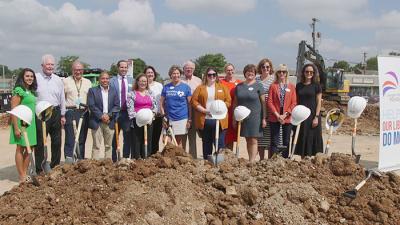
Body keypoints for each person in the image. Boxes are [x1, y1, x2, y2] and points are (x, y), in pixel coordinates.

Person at [35, 54, 66, 173]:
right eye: (48, 64)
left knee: (57, 141)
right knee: (41, 141)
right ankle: (40, 168)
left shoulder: (58, 79)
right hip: (41, 112)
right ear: (42, 65)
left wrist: (63, 114)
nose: (50, 66)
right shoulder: (36, 78)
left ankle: (55, 166)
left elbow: (62, 97)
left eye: (52, 64)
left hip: (55, 112)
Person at [192, 67, 231, 159]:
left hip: (220, 120)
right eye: (210, 75)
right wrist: (204, 110)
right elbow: (194, 101)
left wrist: (220, 107)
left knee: (220, 143)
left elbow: (228, 101)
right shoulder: (200, 88)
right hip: (206, 120)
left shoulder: (223, 87)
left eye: (214, 74)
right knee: (206, 143)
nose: (212, 76)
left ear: (216, 76)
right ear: (206, 76)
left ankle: (220, 163)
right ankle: (207, 163)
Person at [233, 64, 266, 162]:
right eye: (248, 71)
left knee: (253, 140)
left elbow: (263, 103)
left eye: (252, 71)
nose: (250, 73)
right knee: (247, 139)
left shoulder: (259, 85)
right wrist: (234, 118)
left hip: (255, 117)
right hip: (243, 118)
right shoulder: (239, 86)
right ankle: (250, 158)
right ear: (244, 73)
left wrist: (264, 118)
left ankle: (252, 161)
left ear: (255, 73)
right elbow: (235, 102)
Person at [9, 68, 37, 183]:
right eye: (27, 76)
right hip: (21, 124)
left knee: (30, 147)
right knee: (20, 148)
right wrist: (16, 128)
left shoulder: (31, 91)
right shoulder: (18, 90)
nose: (30, 78)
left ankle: (25, 173)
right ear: (22, 77)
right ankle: (21, 175)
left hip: (31, 124)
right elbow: (14, 109)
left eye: (31, 76)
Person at [63, 61, 92, 162]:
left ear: (83, 70)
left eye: (80, 70)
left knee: (82, 138)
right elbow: (62, 98)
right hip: (70, 111)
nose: (78, 72)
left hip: (84, 112)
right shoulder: (66, 81)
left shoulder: (88, 82)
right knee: (70, 137)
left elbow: (90, 98)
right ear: (72, 70)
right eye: (76, 70)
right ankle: (69, 159)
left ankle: (80, 159)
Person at [87, 71, 120, 160]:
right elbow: (91, 105)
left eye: (107, 78)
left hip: (110, 121)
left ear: (109, 80)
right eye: (103, 78)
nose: (105, 80)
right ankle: (94, 165)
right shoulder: (92, 90)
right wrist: (101, 116)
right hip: (97, 121)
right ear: (99, 80)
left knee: (109, 146)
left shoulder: (114, 91)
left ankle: (108, 165)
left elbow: (117, 106)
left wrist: (108, 116)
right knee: (96, 145)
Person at [267, 64, 297, 158]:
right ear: (277, 73)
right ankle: (273, 159)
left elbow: (294, 102)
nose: (281, 73)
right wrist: (277, 115)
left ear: (287, 73)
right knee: (274, 141)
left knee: (286, 141)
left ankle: (284, 159)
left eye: (284, 71)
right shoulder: (273, 86)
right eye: (279, 71)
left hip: (287, 116)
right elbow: (270, 102)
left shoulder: (291, 86)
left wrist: (285, 114)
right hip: (275, 116)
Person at [294, 63, 323, 157]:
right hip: (301, 116)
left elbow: (319, 102)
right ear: (303, 73)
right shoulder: (298, 86)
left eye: (311, 72)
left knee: (311, 137)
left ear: (314, 73)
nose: (309, 73)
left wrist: (316, 117)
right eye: (307, 71)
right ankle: (303, 160)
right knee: (302, 137)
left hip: (313, 116)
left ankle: (311, 160)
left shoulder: (317, 86)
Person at [160, 65, 192, 148]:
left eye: (177, 73)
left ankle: (177, 160)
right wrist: (163, 117)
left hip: (181, 118)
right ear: (170, 75)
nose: (176, 75)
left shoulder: (186, 87)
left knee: (178, 142)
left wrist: (189, 119)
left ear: (180, 74)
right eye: (173, 73)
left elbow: (189, 104)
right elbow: (161, 103)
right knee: (166, 141)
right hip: (168, 118)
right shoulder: (166, 87)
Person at [127, 74, 157, 159]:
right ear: (137, 82)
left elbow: (154, 106)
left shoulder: (150, 93)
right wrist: (140, 117)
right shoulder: (131, 94)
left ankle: (146, 158)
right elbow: (130, 109)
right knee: (137, 141)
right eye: (141, 81)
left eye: (145, 81)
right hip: (136, 122)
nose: (143, 83)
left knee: (147, 141)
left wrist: (151, 115)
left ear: (147, 83)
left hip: (149, 121)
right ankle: (137, 158)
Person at [110, 60, 133, 161]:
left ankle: (125, 158)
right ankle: (115, 159)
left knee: (127, 137)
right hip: (115, 112)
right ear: (118, 68)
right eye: (122, 67)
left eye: (125, 67)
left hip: (127, 113)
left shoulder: (133, 81)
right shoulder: (112, 81)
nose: (124, 69)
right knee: (115, 137)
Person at [181, 60, 201, 158]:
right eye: (186, 68)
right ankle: (182, 156)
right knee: (183, 134)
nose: (189, 69)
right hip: (182, 110)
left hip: (195, 110)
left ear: (194, 69)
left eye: (191, 68)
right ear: (183, 69)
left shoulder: (199, 81)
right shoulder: (180, 81)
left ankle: (193, 157)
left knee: (192, 136)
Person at [256, 58, 275, 159]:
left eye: (267, 67)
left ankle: (269, 159)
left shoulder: (273, 79)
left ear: (270, 68)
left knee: (269, 136)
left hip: (270, 110)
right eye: (263, 67)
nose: (265, 68)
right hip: (258, 110)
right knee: (260, 137)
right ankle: (261, 159)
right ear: (260, 68)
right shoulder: (256, 79)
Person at [220, 63, 241, 150]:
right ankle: (222, 154)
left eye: (231, 70)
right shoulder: (221, 82)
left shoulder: (239, 83)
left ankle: (230, 155)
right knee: (223, 135)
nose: (230, 72)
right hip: (223, 112)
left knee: (232, 136)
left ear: (234, 70)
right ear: (225, 71)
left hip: (234, 112)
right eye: (228, 70)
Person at [145, 66, 163, 154]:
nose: (150, 74)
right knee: (147, 138)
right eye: (148, 72)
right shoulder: (142, 85)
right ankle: (146, 156)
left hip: (158, 116)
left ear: (154, 74)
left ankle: (155, 156)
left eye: (151, 72)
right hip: (146, 117)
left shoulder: (159, 86)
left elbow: (163, 101)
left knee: (156, 138)